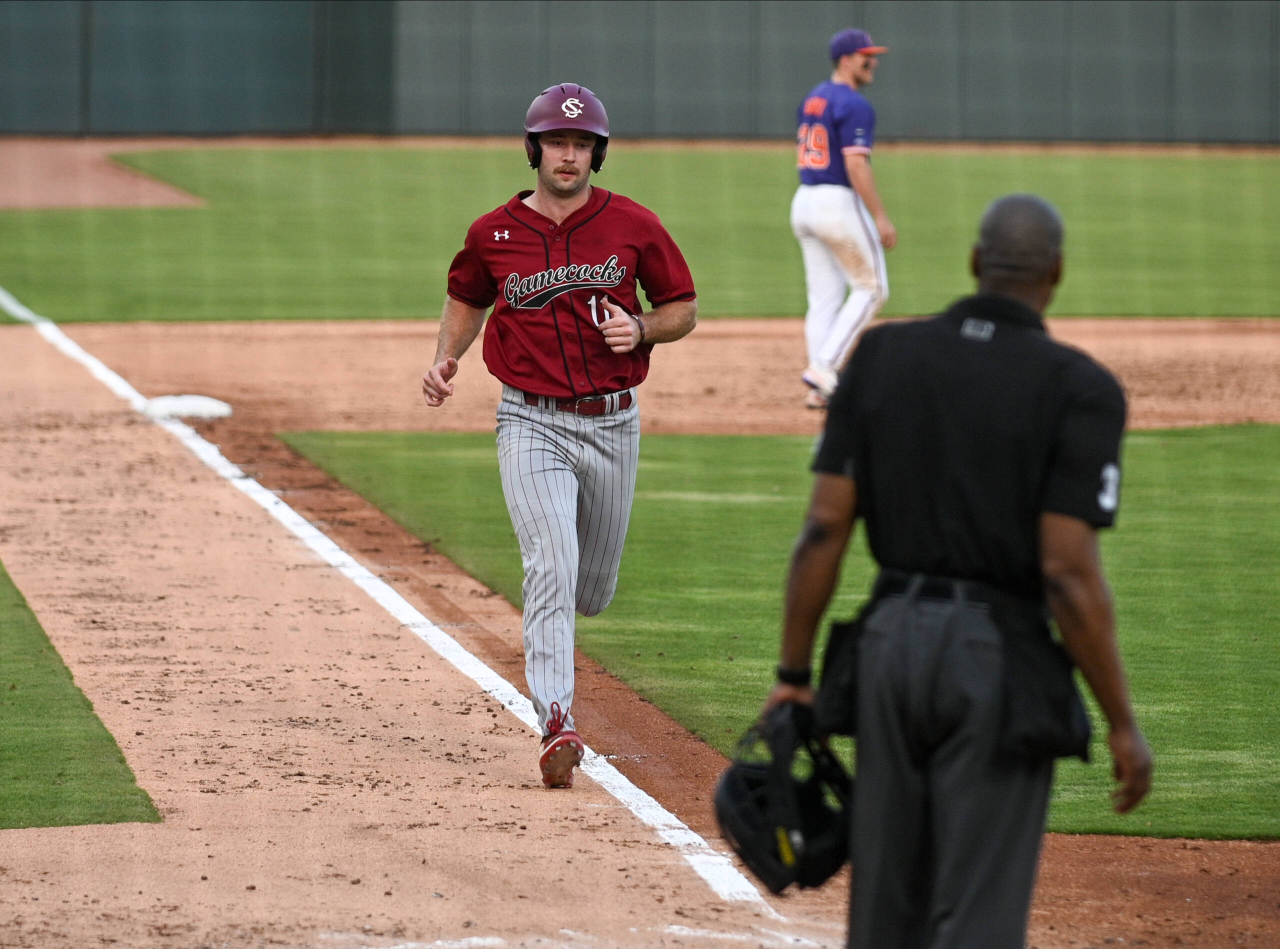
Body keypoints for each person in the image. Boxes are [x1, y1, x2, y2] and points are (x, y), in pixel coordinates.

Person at [765, 195, 1153, 947]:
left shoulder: (882, 356)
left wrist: (792, 674)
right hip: (995, 660)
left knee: (882, 912)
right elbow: (1067, 574)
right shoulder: (1081, 388)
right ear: (1056, 273)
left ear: (976, 262)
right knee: (978, 918)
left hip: (886, 648)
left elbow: (823, 528)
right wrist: (1122, 724)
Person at [422, 84, 697, 790]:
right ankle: (557, 721)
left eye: (580, 144)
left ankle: (562, 638)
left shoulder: (633, 224)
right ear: (534, 149)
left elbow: (682, 307)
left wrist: (642, 327)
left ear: (596, 154)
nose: (567, 155)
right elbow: (467, 297)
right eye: (556, 142)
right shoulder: (493, 233)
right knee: (550, 561)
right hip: (530, 420)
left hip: (613, 423)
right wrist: (447, 356)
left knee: (590, 588)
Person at [792, 28, 897, 410]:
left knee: (825, 297)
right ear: (846, 59)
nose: (873, 62)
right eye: (866, 56)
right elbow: (855, 165)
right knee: (872, 288)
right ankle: (825, 368)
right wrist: (880, 216)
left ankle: (819, 388)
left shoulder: (814, 97)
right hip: (835, 203)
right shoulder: (855, 104)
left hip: (804, 201)